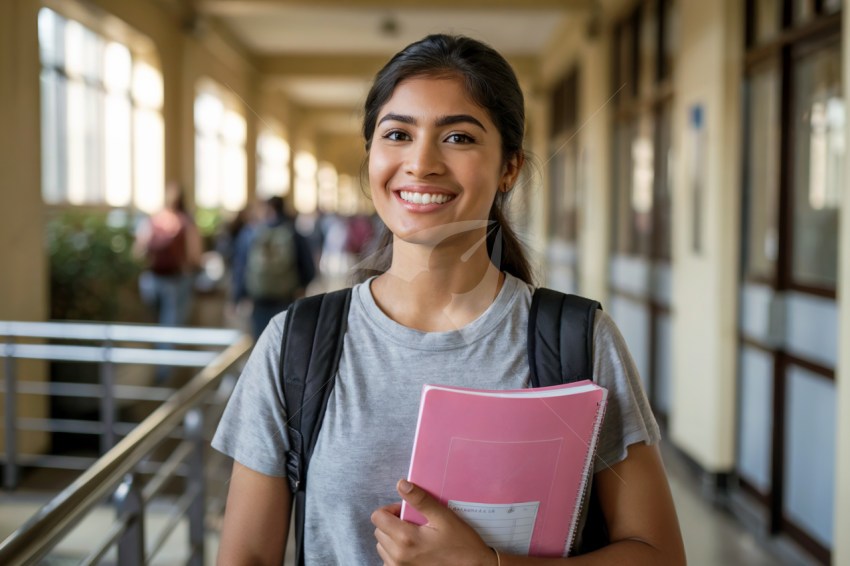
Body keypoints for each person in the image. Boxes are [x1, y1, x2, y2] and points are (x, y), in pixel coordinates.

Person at [212, 35, 686, 566]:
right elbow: (245, 557)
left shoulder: (578, 340)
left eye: (458, 137)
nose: (422, 163)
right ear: (371, 154)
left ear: (509, 167)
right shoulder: (296, 342)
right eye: (397, 134)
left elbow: (659, 553)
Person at [231, 196, 315, 338]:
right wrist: (301, 287)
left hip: (259, 299)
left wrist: (238, 296)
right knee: (285, 341)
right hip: (286, 298)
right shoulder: (294, 233)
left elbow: (240, 265)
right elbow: (309, 268)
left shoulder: (251, 234)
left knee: (262, 341)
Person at [134, 181, 202, 328]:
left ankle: (158, 348)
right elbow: (195, 255)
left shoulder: (153, 219)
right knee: (172, 323)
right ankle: (166, 350)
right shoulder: (185, 221)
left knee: (154, 320)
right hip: (176, 279)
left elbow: (138, 250)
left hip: (153, 277)